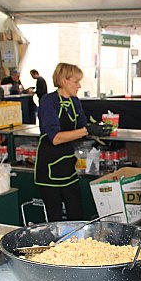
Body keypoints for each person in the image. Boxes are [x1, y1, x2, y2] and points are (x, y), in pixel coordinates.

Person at [34, 63, 113, 222]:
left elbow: (82, 127)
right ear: (64, 81)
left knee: (76, 214)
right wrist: (86, 131)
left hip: (68, 163)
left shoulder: (75, 101)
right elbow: (55, 138)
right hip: (49, 166)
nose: (79, 85)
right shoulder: (49, 101)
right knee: (55, 218)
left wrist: (96, 129)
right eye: (76, 81)